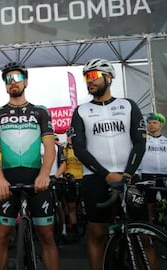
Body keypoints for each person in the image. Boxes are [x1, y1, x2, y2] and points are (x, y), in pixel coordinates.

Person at [70, 58, 146, 270]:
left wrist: (128, 174)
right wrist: (106, 175)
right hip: (96, 178)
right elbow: (79, 149)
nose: (89, 81)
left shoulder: (128, 105)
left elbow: (140, 143)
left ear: (109, 77)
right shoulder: (81, 110)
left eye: (93, 75)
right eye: (86, 77)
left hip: (129, 176)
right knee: (96, 235)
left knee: (143, 235)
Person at [0, 62, 59, 270]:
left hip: (37, 178)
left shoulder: (40, 111)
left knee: (46, 235)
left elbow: (50, 147)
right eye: (8, 80)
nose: (13, 83)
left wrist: (45, 174)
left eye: (17, 78)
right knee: (2, 235)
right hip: (7, 180)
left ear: (26, 81)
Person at [139, 112, 167, 222]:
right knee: (149, 202)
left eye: (155, 122)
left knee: (165, 201)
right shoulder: (143, 141)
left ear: (161, 125)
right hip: (147, 174)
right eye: (149, 123)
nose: (151, 125)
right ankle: (151, 226)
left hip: (164, 174)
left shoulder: (166, 141)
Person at [62, 127, 84, 241]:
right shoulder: (64, 149)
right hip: (70, 179)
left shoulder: (81, 147)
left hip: (82, 178)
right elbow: (62, 164)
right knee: (71, 206)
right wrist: (66, 175)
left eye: (72, 136)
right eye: (68, 136)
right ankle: (74, 229)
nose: (70, 138)